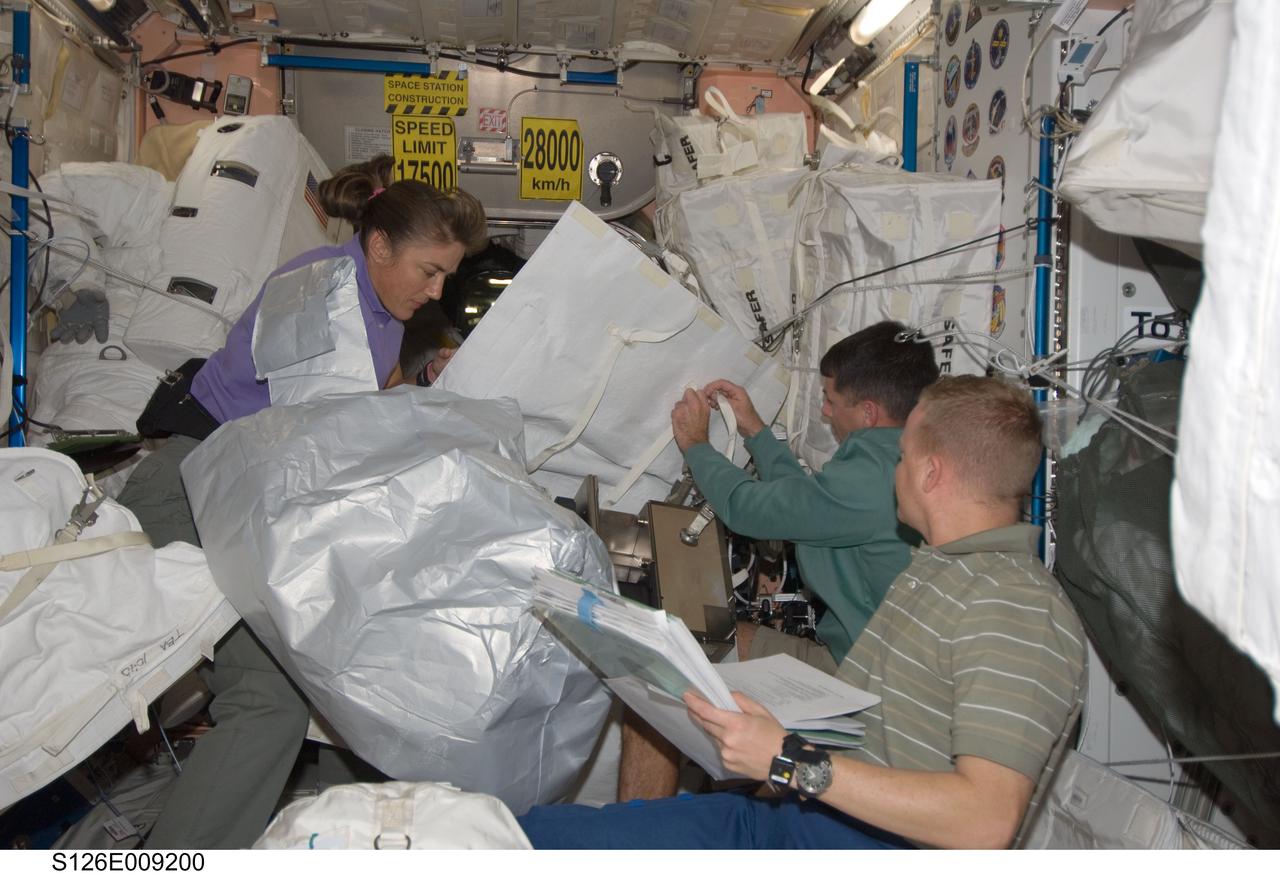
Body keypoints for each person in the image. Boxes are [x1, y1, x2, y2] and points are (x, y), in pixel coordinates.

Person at [519, 375, 1086, 849]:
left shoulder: (1018, 607)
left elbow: (986, 821)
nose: (895, 471)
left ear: (932, 473)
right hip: (798, 821)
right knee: (529, 837)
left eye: (904, 456)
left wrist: (785, 760)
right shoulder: (938, 569)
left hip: (835, 838)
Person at [117, 154, 488, 848]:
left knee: (324, 679)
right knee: (270, 702)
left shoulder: (377, 310)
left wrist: (422, 393)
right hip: (195, 491)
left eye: (446, 275)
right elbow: (320, 444)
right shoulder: (316, 293)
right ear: (380, 246)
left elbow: (349, 417)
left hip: (242, 503)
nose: (437, 291)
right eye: (429, 271)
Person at [615, 322, 938, 801]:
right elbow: (810, 505)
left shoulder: (873, 476)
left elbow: (754, 511)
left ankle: (640, 841)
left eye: (830, 400)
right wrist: (755, 433)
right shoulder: (898, 457)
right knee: (693, 643)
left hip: (870, 688)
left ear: (868, 412)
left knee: (659, 690)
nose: (824, 411)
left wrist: (697, 446)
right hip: (860, 660)